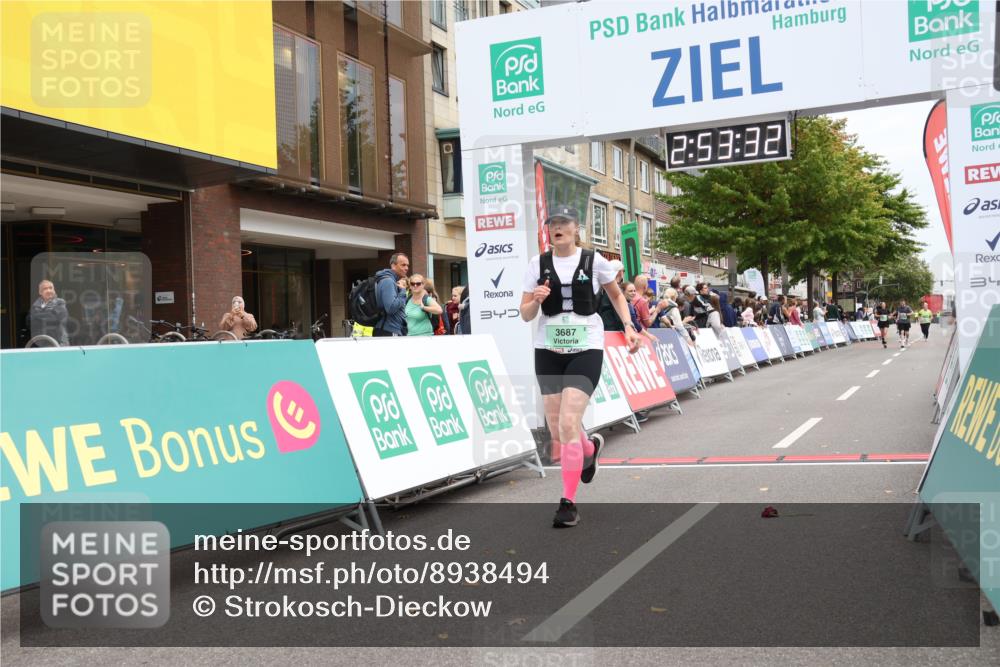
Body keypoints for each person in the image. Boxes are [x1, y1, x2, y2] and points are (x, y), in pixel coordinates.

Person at [520, 205, 640, 528]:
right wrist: (536, 300)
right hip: (548, 348)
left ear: (576, 228)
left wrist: (629, 326)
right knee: (560, 427)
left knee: (570, 422)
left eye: (564, 223)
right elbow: (526, 314)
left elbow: (616, 296)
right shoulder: (537, 265)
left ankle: (568, 502)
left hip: (586, 346)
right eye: (553, 223)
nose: (557, 228)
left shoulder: (594, 260)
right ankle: (589, 449)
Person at [373, 253, 410, 336]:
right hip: (388, 330)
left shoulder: (390, 280)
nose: (406, 268)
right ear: (393, 266)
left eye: (407, 265)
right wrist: (403, 291)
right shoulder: (388, 281)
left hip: (389, 329)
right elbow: (391, 308)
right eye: (403, 265)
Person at [29, 279, 69, 345]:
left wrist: (37, 317)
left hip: (58, 342)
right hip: (40, 342)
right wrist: (47, 315)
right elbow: (29, 321)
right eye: (45, 289)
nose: (49, 290)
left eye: (51, 288)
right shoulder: (35, 305)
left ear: (54, 290)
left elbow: (54, 318)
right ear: (40, 292)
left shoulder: (60, 303)